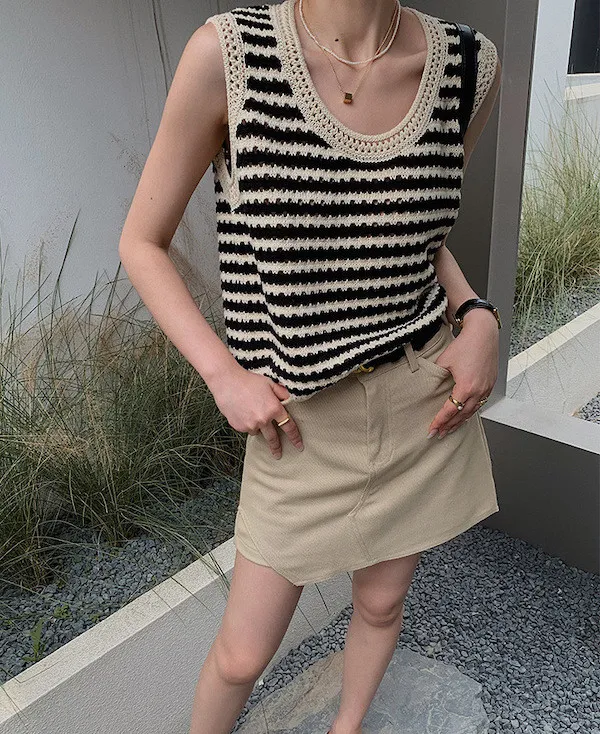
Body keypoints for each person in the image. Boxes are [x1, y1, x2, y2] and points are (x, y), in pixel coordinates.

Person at [118, 0, 502, 731]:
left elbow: (413, 233)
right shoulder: (231, 55)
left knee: (382, 604)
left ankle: (345, 727)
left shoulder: (467, 66)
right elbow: (141, 242)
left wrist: (476, 314)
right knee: (241, 655)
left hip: (422, 398)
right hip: (299, 424)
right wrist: (223, 374)